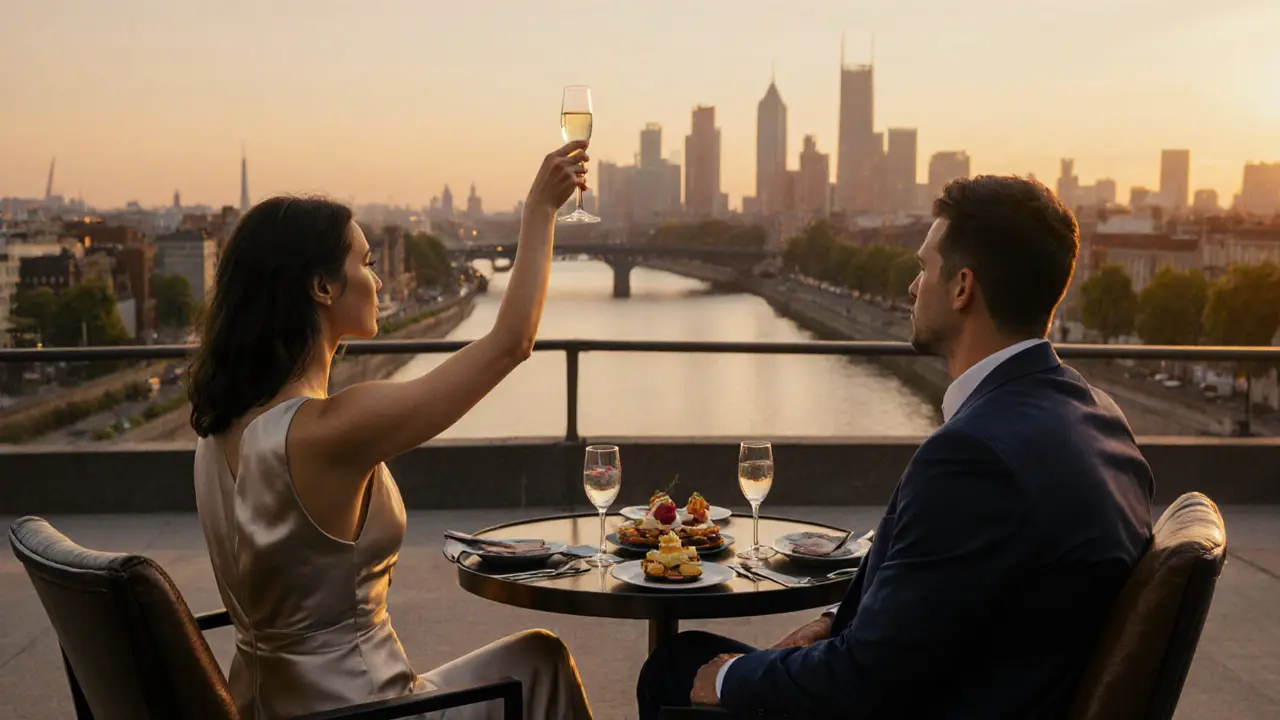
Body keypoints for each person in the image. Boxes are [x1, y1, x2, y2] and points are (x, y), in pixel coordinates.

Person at [637, 176, 1155, 719]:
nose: (911, 287)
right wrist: (834, 621)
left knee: (679, 667)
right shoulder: (1100, 418)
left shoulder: (973, 457)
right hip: (1000, 683)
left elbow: (865, 682)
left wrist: (729, 680)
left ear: (962, 288)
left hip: (937, 702)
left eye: (923, 268)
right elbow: (963, 593)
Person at [189, 141, 595, 720]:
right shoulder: (328, 428)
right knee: (541, 660)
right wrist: (539, 210)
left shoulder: (214, 431)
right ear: (322, 288)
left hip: (267, 707)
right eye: (366, 263)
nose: (377, 281)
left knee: (529, 661)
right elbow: (511, 344)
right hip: (365, 709)